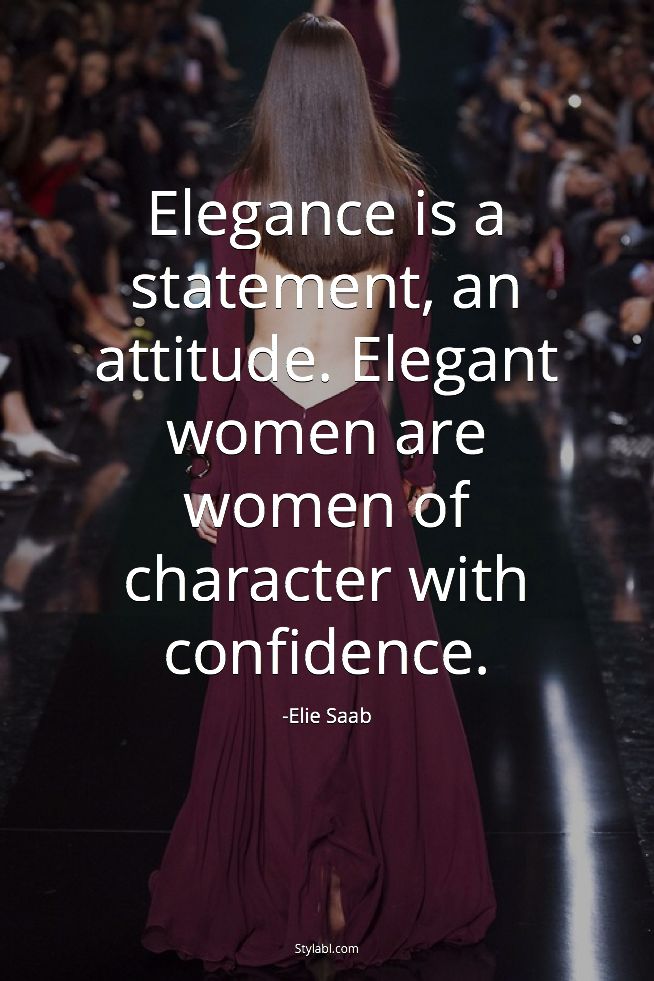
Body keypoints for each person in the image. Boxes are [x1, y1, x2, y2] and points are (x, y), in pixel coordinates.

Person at [142, 14, 495, 973]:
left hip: (265, 436)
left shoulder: (241, 196)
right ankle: (341, 874)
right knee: (354, 661)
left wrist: (207, 467)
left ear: (279, 93)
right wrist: (419, 462)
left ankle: (282, 869)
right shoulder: (402, 199)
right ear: (356, 89)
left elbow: (225, 343)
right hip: (351, 443)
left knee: (273, 666)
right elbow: (412, 349)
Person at [313, 0, 400, 122]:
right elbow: (321, 10)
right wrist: (392, 53)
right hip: (347, 40)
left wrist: (392, 54)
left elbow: (384, 9)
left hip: (358, 42)